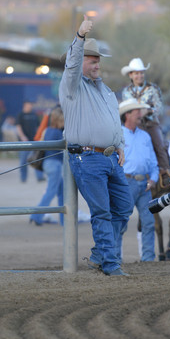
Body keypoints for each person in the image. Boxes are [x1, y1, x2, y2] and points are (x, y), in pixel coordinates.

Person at [59, 15, 133, 277]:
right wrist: (79, 36)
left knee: (123, 207)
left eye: (98, 59)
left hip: (111, 158)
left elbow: (115, 121)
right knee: (102, 212)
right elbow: (71, 63)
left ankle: (101, 255)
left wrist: (120, 144)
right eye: (92, 60)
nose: (97, 64)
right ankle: (110, 264)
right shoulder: (72, 86)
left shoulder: (105, 90)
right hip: (87, 158)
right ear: (82, 62)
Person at [119, 98, 159, 262]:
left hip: (144, 184)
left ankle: (148, 258)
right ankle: (115, 257)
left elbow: (153, 162)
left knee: (149, 221)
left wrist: (154, 178)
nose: (140, 116)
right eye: (137, 112)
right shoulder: (118, 135)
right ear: (127, 114)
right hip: (126, 183)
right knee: (121, 222)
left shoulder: (145, 136)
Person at [121, 58, 170, 180]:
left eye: (142, 73)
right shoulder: (126, 91)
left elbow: (159, 108)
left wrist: (147, 111)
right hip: (134, 124)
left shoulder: (153, 89)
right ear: (131, 75)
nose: (140, 75)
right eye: (137, 73)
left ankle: (166, 173)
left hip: (150, 123)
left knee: (159, 146)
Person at [30, 106, 64, 226]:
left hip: (48, 163)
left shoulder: (48, 130)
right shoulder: (58, 133)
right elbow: (62, 152)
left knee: (62, 191)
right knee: (51, 191)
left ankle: (64, 219)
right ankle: (37, 215)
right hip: (55, 165)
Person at [16, 101, 44, 183]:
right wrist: (22, 137)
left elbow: (39, 127)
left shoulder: (34, 115)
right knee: (23, 161)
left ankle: (39, 177)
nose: (30, 106)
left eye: (31, 105)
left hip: (34, 141)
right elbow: (18, 127)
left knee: (36, 159)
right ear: (25, 105)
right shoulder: (20, 115)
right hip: (24, 142)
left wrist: (39, 137)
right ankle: (23, 178)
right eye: (29, 105)